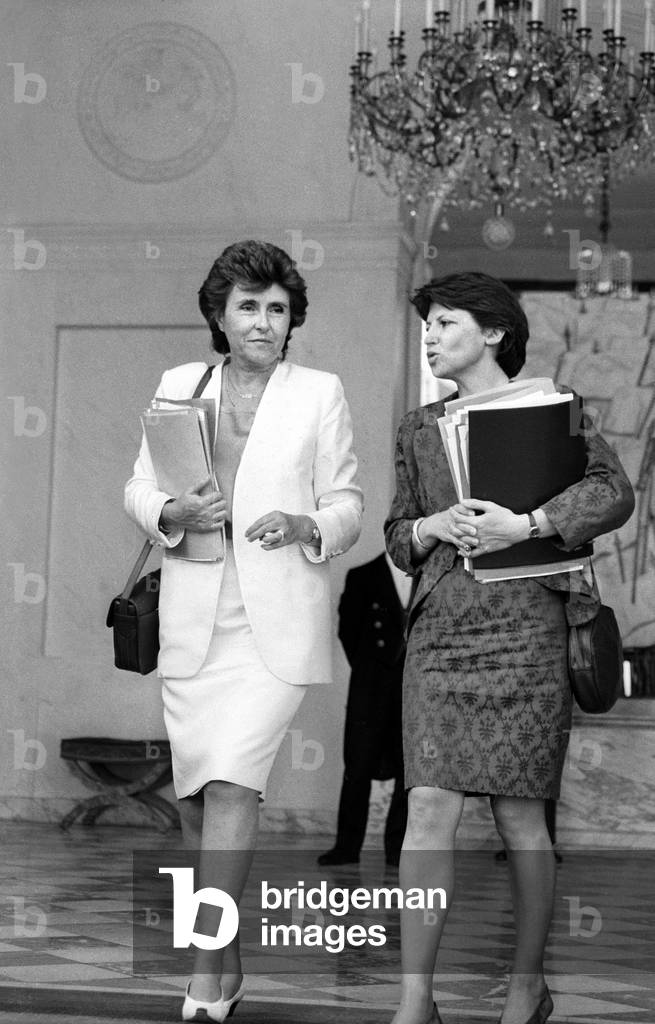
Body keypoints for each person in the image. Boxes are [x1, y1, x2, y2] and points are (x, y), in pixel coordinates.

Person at [384, 271, 634, 1024]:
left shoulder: (553, 410)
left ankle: (526, 988)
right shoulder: (417, 427)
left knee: (519, 817)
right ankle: (413, 1001)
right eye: (426, 324)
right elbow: (398, 535)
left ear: (492, 332)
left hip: (527, 627)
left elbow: (612, 492)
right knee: (427, 806)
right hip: (441, 633)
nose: (429, 335)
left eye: (445, 323)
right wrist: (432, 527)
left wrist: (520, 526)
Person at [124, 239, 363, 1023]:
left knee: (231, 785)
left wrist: (307, 522)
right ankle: (226, 967)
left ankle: (200, 981)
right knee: (199, 797)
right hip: (193, 617)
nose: (263, 322)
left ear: (291, 320)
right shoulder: (177, 384)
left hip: (275, 625)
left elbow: (349, 504)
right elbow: (137, 485)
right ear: (219, 316)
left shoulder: (318, 392)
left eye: (277, 309)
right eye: (248, 307)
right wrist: (168, 511)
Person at [318, 552, 410, 869]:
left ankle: (398, 849)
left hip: (414, 687)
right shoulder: (362, 574)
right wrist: (370, 668)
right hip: (369, 686)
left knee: (409, 773)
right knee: (356, 768)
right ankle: (346, 847)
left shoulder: (433, 574)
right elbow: (349, 630)